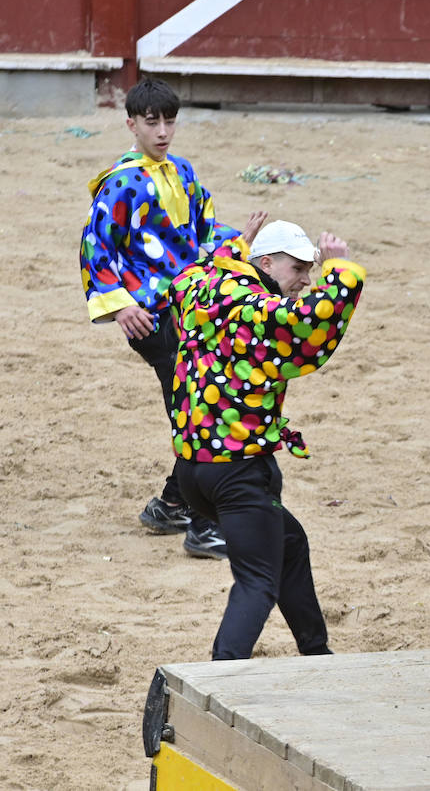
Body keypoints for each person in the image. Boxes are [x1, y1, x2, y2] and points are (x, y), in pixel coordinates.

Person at [167, 220, 366, 660]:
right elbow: (306, 327)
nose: (305, 280)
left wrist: (237, 245)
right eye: (298, 268)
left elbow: (195, 267)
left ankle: (317, 651)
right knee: (257, 581)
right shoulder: (255, 309)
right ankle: (217, 678)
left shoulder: (201, 286)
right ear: (267, 262)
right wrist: (341, 271)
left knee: (289, 542)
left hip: (191, 470)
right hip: (237, 472)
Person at [80, 77, 256, 559]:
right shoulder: (122, 182)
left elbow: (201, 230)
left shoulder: (181, 170)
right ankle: (202, 524)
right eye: (151, 121)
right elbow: (95, 247)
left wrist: (243, 241)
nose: (162, 131)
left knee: (193, 401)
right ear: (131, 124)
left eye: (169, 120)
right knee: (196, 405)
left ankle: (172, 504)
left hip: (187, 306)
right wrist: (120, 305)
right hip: (151, 315)